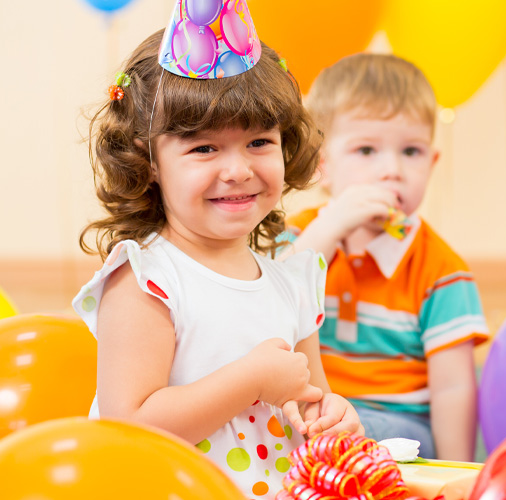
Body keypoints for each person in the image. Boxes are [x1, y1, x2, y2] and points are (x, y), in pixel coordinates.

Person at [72, 2, 360, 496]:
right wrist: (250, 380)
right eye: (203, 148)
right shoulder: (147, 279)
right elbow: (128, 428)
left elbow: (309, 396)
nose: (238, 170)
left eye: (259, 142)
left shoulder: (292, 281)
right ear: (150, 162)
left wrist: (332, 416)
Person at [281, 53, 489, 461]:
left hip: (397, 427)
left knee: (338, 440)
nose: (391, 170)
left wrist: (455, 475)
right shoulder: (301, 238)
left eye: (410, 152)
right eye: (366, 150)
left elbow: (452, 390)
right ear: (322, 166)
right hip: (309, 410)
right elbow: (271, 305)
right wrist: (330, 227)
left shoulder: (442, 272)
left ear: (432, 164)